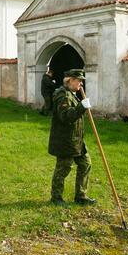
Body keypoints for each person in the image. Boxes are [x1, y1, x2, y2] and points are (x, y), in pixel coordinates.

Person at [48, 69, 96, 206]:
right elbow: (66, 116)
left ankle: (81, 196)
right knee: (63, 168)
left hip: (77, 139)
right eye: (79, 80)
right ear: (70, 80)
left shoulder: (72, 94)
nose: (81, 83)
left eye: (81, 81)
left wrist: (81, 106)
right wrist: (81, 107)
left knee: (86, 164)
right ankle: (56, 198)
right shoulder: (62, 95)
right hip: (65, 140)